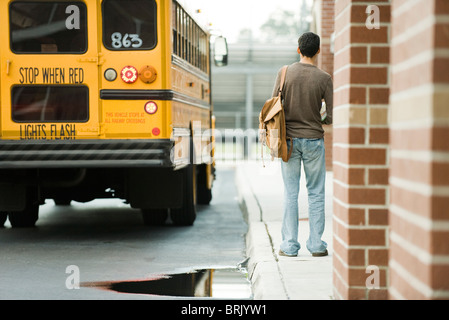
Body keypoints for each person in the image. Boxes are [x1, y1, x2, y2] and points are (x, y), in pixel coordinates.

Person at [271, 32, 333, 257]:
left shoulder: (284, 73)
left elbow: (273, 107)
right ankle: (316, 245)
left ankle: (289, 246)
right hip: (314, 141)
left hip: (289, 143)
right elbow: (331, 115)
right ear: (318, 51)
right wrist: (320, 118)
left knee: (290, 193)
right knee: (316, 193)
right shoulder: (324, 78)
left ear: (298, 49)